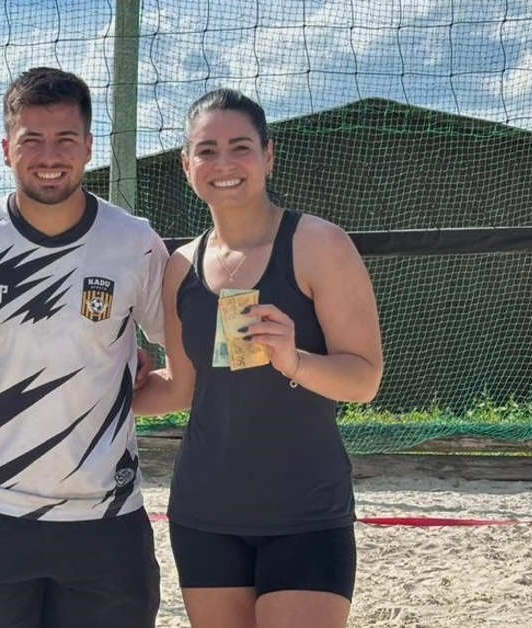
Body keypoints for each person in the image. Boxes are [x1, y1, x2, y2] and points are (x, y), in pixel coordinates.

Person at [133, 88, 383, 628]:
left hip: (305, 510)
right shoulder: (181, 265)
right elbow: (180, 387)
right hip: (205, 512)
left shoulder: (319, 244)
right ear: (186, 165)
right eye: (206, 150)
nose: (223, 164)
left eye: (239, 147)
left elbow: (364, 379)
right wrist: (104, 391)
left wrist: (295, 361)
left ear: (268, 155)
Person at [0, 67, 167, 628]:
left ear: (89, 146)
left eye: (66, 139)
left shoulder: (135, 242)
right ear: (5, 147)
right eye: (31, 139)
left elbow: (182, 364)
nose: (49, 155)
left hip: (106, 518)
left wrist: (113, 398)